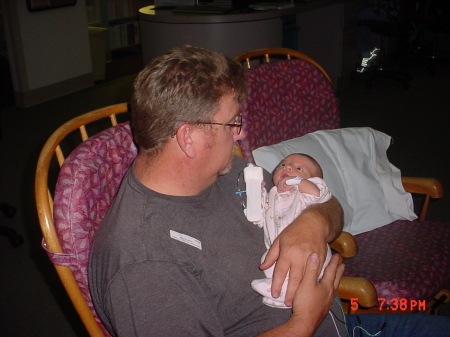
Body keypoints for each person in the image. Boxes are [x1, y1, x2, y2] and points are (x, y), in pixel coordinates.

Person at [88, 45, 450, 337]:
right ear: (189, 137)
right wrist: (304, 322)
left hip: (345, 323)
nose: (242, 134)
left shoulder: (227, 174)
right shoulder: (144, 265)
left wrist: (314, 222)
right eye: (233, 123)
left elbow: (328, 204)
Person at [251, 153, 333, 309]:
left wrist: (294, 180)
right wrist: (259, 193)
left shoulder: (305, 192)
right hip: (278, 248)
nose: (287, 167)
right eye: (283, 165)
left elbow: (316, 192)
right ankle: (278, 292)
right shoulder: (273, 194)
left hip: (310, 247)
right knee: (267, 261)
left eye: (299, 168)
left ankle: (283, 293)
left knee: (302, 267)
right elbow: (260, 218)